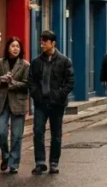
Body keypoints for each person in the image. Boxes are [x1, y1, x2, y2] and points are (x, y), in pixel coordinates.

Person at [28, 30, 74, 175]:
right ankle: (40, 163)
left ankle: (54, 163)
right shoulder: (36, 62)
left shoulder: (64, 61)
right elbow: (31, 81)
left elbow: (70, 82)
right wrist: (37, 95)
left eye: (45, 42)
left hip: (57, 104)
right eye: (41, 42)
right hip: (41, 103)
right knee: (38, 132)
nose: (42, 45)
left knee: (56, 134)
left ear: (53, 43)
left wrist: (60, 95)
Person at [0, 37, 30, 174]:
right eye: (13, 46)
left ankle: (14, 163)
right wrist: (2, 79)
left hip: (18, 102)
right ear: (8, 47)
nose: (15, 48)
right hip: (3, 102)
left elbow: (27, 84)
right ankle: (6, 156)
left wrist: (13, 82)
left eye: (18, 47)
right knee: (0, 132)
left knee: (16, 136)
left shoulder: (25, 65)